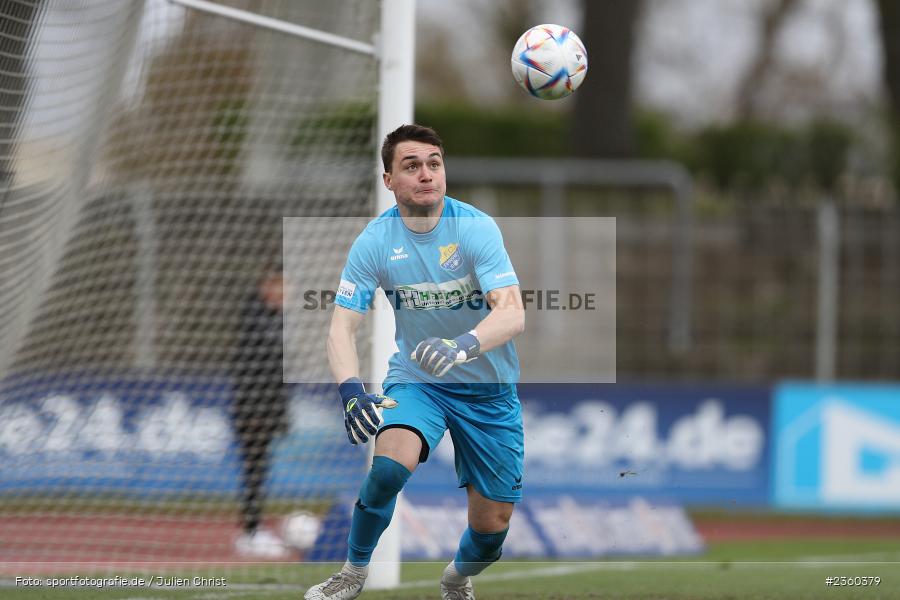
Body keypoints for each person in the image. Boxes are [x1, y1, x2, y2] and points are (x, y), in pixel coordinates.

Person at [304, 124, 525, 600]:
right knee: (387, 469)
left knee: (491, 534)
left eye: (434, 163)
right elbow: (342, 327)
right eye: (411, 166)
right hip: (419, 381)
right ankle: (352, 572)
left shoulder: (475, 228)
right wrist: (350, 391)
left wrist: (461, 345)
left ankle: (456, 577)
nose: (426, 174)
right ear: (389, 180)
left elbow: (512, 312)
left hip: (489, 394)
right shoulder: (373, 243)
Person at [231, 263, 291, 559]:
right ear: (267, 285)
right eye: (279, 286)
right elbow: (248, 368)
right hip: (251, 408)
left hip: (270, 408)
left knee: (260, 469)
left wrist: (280, 415)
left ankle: (253, 529)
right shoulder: (254, 318)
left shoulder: (281, 320)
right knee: (253, 470)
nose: (284, 293)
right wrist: (252, 409)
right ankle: (250, 532)